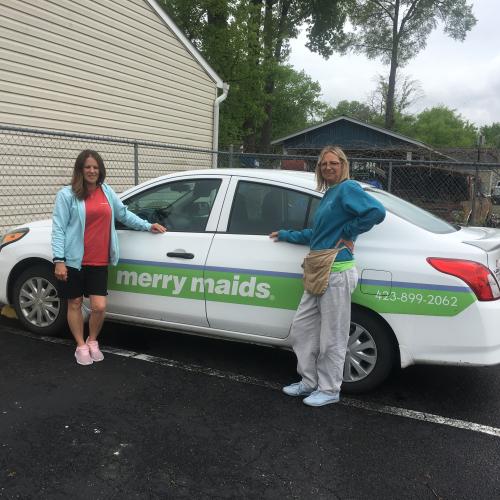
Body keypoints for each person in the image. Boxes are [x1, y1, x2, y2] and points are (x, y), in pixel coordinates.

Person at [270, 146, 386, 407]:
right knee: (302, 329)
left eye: (333, 163)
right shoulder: (330, 194)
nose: (328, 167)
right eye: (323, 164)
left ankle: (330, 389)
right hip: (319, 270)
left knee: (332, 334)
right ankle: (308, 382)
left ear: (343, 164)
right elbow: (317, 234)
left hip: (337, 271)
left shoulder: (348, 189)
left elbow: (376, 212)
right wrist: (287, 234)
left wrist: (350, 231)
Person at [52, 149, 166, 366]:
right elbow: (58, 229)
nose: (92, 171)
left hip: (98, 260)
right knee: (74, 303)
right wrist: (59, 260)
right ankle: (80, 345)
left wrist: (147, 225)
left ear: (100, 170)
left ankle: (92, 340)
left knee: (99, 306)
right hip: (74, 261)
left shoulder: (106, 192)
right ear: (80, 170)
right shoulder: (67, 195)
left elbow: (123, 214)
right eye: (87, 167)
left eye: (95, 167)